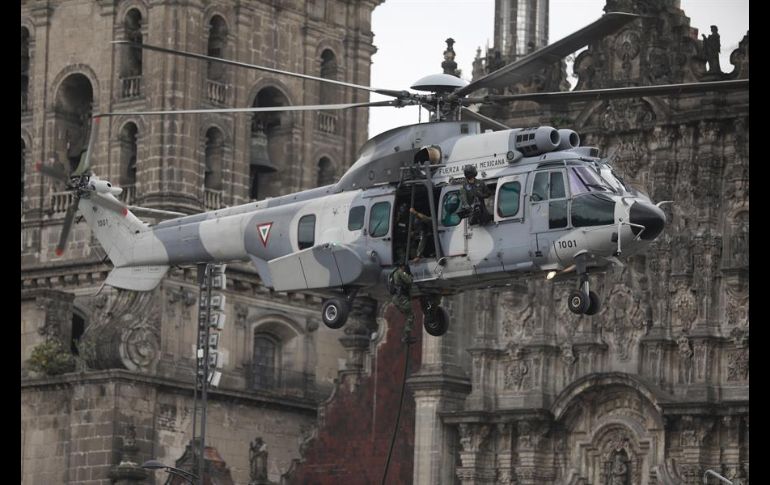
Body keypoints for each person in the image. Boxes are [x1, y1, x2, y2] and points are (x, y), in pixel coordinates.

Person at [389, 263, 415, 340]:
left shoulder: (393, 272)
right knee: (410, 315)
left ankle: (407, 336)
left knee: (408, 315)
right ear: (402, 266)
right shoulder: (400, 272)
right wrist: (410, 275)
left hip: (396, 298)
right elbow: (409, 280)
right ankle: (407, 336)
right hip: (401, 297)